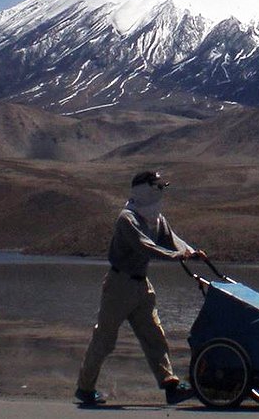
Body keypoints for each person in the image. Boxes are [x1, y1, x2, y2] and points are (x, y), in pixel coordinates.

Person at [75, 170, 206, 405]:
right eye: (157, 187)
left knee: (154, 335)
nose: (161, 192)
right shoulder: (128, 219)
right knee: (104, 340)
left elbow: (171, 238)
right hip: (119, 285)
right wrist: (178, 255)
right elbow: (145, 247)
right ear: (144, 189)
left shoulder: (156, 218)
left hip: (141, 283)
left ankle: (169, 384)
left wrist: (191, 251)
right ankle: (84, 388)